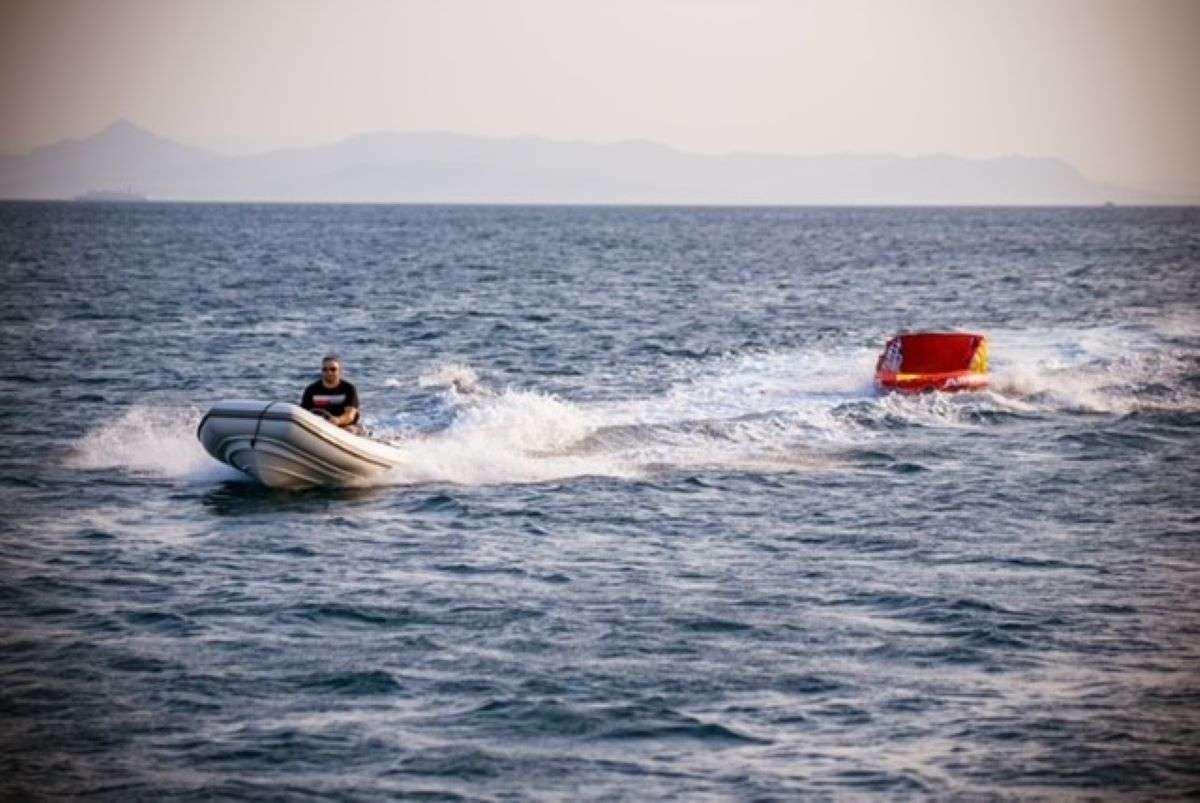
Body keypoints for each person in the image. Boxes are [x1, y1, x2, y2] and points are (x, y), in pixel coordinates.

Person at [301, 354, 362, 432]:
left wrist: (338, 420)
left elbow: (350, 415)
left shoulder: (349, 389)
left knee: (350, 430)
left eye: (333, 369)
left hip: (344, 426)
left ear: (340, 371)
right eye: (325, 369)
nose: (329, 372)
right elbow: (304, 412)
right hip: (318, 426)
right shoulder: (311, 390)